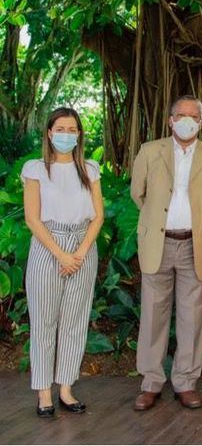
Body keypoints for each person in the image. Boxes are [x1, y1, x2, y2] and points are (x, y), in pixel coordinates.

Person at [130, 95, 202, 411]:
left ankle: (186, 382)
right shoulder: (150, 151)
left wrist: (198, 223)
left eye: (193, 116)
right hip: (157, 244)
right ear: (170, 119)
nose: (186, 120)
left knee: (192, 315)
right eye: (180, 115)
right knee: (153, 314)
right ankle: (150, 383)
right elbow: (138, 193)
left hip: (194, 244)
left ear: (200, 121)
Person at [22, 108, 104, 417]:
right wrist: (61, 254)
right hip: (48, 246)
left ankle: (66, 389)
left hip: (83, 246)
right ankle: (44, 393)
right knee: (44, 322)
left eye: (72, 129)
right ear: (49, 132)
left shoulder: (90, 169)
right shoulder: (36, 169)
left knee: (74, 322)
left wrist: (79, 253)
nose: (66, 134)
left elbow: (98, 216)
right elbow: (32, 217)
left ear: (79, 134)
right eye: (60, 128)